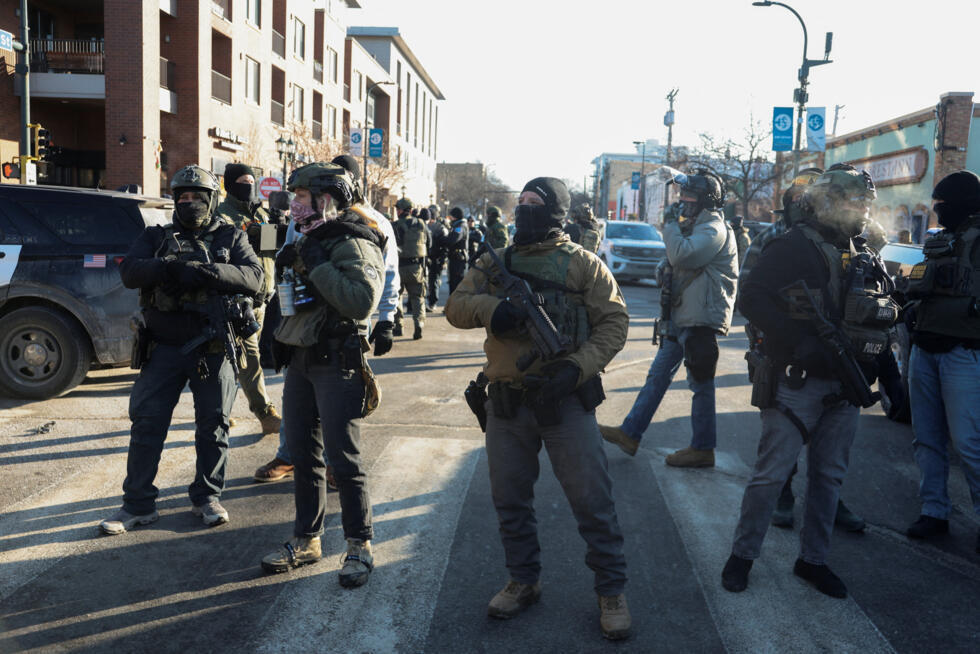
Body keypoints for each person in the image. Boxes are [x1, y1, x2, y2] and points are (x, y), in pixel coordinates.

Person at [445, 177, 632, 640]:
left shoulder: (583, 263)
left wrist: (578, 367)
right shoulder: (496, 261)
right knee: (509, 499)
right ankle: (523, 580)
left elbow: (614, 323)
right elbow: (456, 307)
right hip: (507, 402)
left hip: (565, 400)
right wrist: (493, 310)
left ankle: (611, 591)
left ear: (556, 213)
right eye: (522, 201)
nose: (525, 208)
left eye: (536, 203)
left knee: (592, 501)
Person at [722, 164, 897, 598]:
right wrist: (798, 342)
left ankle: (813, 560)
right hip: (796, 382)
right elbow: (752, 298)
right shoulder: (792, 246)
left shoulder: (863, 252)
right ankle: (742, 556)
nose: (862, 210)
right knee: (770, 477)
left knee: (829, 479)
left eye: (866, 203)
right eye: (854, 201)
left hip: (846, 385)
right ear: (828, 202)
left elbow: (878, 318)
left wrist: (890, 379)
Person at [99, 165, 264, 535]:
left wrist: (207, 272)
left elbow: (255, 277)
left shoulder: (230, 236)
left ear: (211, 200)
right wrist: (169, 268)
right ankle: (137, 505)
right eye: (182, 197)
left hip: (214, 346)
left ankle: (207, 497)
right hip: (164, 348)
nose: (189, 203)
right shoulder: (156, 236)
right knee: (147, 424)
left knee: (214, 426)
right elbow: (130, 272)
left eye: (196, 198)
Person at [258, 162, 385, 587]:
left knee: (344, 460)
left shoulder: (353, 240)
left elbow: (360, 300)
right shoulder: (310, 236)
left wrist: (315, 263)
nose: (294, 204)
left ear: (325, 199)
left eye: (301, 196)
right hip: (302, 360)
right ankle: (307, 540)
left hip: (336, 362)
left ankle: (359, 546)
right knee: (302, 454)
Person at [253, 154, 400, 485]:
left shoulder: (372, 223)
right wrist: (270, 244)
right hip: (301, 322)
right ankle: (290, 455)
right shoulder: (303, 216)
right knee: (298, 404)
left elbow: (386, 276)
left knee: (337, 406)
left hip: (341, 325)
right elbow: (287, 253)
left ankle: (336, 465)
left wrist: (387, 318)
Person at [741, 169, 866, 532]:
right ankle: (782, 494)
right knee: (781, 447)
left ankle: (829, 501)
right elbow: (751, 295)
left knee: (828, 457)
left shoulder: (847, 239)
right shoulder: (778, 239)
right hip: (784, 354)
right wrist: (785, 341)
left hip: (837, 358)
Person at [600, 169, 737, 467]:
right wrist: (663, 267)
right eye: (683, 195)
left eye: (690, 196)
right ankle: (630, 433)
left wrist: (670, 226)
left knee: (700, 383)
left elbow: (683, 256)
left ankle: (702, 449)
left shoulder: (713, 228)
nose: (683, 201)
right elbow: (672, 262)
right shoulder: (694, 227)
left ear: (706, 200)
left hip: (700, 318)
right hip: (681, 315)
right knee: (658, 375)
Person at [904, 170, 980, 555]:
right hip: (925, 346)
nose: (939, 210)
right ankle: (934, 510)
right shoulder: (941, 240)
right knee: (927, 437)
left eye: (944, 204)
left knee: (968, 442)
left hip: (964, 352)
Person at [213, 163, 282, 436]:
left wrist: (278, 227)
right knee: (249, 357)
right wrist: (254, 231)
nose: (249, 187)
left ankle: (219, 409)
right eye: (243, 182)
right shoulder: (222, 214)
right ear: (231, 185)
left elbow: (269, 249)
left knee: (233, 359)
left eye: (252, 182)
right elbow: (229, 245)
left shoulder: (261, 213)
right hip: (239, 299)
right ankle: (265, 412)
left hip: (263, 298)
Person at [393, 198, 432, 340]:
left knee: (396, 297)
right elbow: (429, 243)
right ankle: (419, 324)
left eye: (398, 209)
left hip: (398, 267)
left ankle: (399, 326)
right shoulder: (421, 223)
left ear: (402, 210)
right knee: (417, 298)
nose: (397, 211)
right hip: (416, 267)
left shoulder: (394, 225)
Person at [427, 210, 449, 310]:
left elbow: (445, 247)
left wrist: (443, 260)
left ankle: (433, 302)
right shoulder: (431, 227)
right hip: (430, 257)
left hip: (436, 258)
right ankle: (431, 301)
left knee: (434, 280)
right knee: (431, 281)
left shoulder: (441, 228)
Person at [446, 207, 469, 294]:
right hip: (455, 258)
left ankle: (456, 301)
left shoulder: (460, 226)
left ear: (455, 216)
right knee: (453, 282)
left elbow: (453, 239)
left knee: (456, 283)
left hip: (458, 259)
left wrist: (442, 239)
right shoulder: (457, 225)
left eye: (451, 216)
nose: (450, 218)